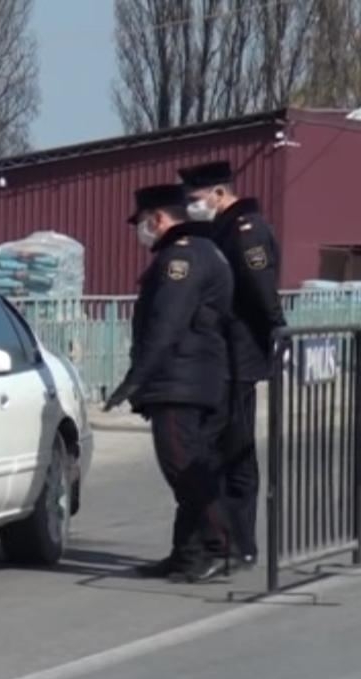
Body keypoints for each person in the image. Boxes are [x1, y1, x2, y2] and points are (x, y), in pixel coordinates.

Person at [104, 184, 235, 583]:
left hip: (183, 381)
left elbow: (167, 324)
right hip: (189, 377)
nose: (140, 232)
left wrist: (134, 379)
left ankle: (218, 546)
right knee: (185, 468)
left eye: (142, 224)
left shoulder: (182, 258)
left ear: (158, 219)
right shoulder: (200, 251)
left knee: (185, 469)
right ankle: (185, 553)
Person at [177, 161, 285, 571]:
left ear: (220, 194)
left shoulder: (246, 230)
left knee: (233, 451)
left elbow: (261, 288)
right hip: (221, 355)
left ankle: (238, 544)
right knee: (221, 448)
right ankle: (222, 543)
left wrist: (277, 330)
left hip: (238, 356)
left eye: (196, 198)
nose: (191, 206)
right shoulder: (220, 228)